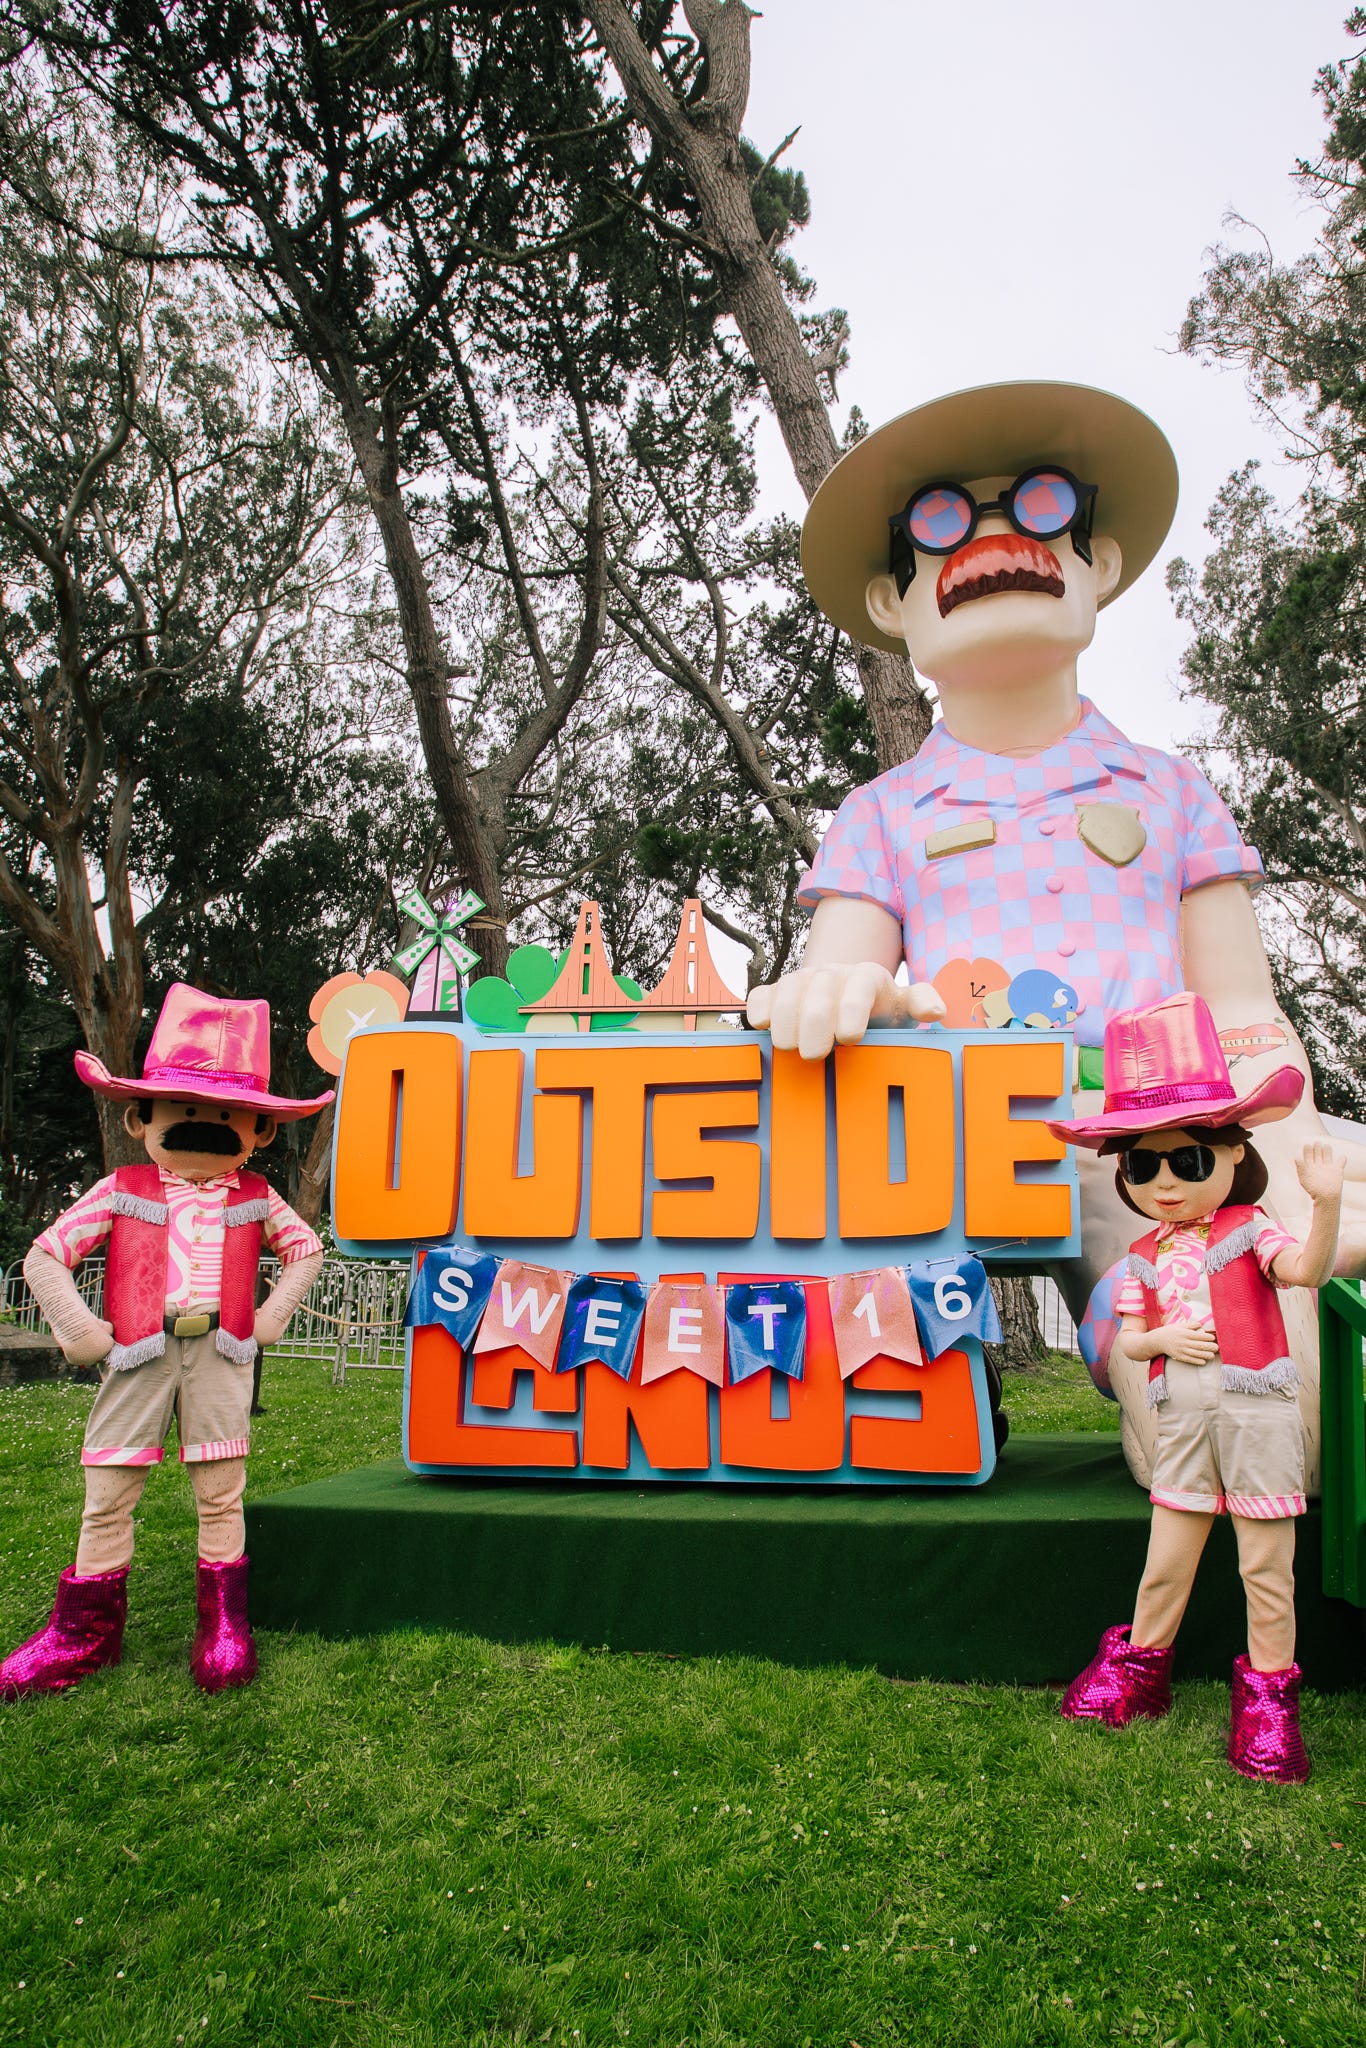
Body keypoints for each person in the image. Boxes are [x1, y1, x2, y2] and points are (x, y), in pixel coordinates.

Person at [746, 379, 1364, 1484]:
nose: (993, 541)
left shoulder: (1172, 792)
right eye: (941, 520)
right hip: (965, 1134)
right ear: (893, 597)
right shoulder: (881, 815)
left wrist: (1276, 1152)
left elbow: (1242, 1009)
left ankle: (1168, 1335)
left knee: (1274, 1406)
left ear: (1098, 562)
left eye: (1039, 504)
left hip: (1161, 1135)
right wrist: (838, 992)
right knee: (1236, 1404)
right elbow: (838, 970)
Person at [1, 984, 331, 1698]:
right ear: (141, 1116)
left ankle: (223, 1625)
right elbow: (46, 1255)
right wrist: (78, 1327)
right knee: (109, 1487)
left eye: (227, 1116)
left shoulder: (256, 1196)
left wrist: (271, 1316)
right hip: (136, 1356)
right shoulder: (121, 1187)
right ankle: (84, 1633)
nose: (205, 1128)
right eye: (184, 1109)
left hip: (220, 1356)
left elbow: (306, 1250)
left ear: (258, 1131)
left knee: (221, 1490)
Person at [1043, 991, 1342, 1781]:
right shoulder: (1142, 1254)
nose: (1166, 1181)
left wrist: (1327, 1205)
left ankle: (1270, 1698)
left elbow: (1306, 1272)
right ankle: (1142, 1669)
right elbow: (1131, 1339)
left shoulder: (1253, 1230)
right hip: (1181, 1418)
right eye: (1143, 1165)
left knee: (1265, 1567)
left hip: (1257, 1418)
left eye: (1188, 1161)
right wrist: (1160, 1341)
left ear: (1233, 1153)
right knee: (1167, 1556)